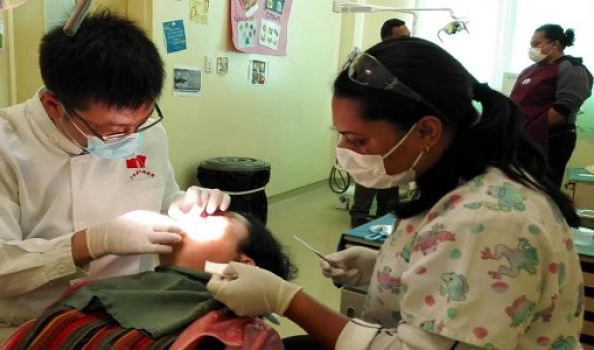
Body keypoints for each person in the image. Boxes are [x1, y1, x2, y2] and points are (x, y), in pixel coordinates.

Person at [206, 37, 584, 349]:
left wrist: (287, 300)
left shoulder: (486, 220)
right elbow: (451, 272)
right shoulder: (458, 178)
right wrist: (384, 270)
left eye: (357, 139)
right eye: (340, 135)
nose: (345, 152)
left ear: (426, 131)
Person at [0, 12, 231, 349]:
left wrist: (182, 206)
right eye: (114, 129)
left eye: (142, 120)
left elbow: (162, 197)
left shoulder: (147, 134)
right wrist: (89, 243)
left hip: (123, 313)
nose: (131, 137)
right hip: (21, 323)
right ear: (53, 105)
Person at [0, 211, 295, 349]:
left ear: (241, 265)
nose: (191, 217)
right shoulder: (100, 289)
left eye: (211, 220)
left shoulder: (237, 339)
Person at [510, 24, 592, 186]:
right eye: (531, 45)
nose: (532, 49)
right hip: (522, 137)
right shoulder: (529, 70)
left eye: (536, 44)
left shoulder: (572, 68)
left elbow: (564, 108)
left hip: (550, 140)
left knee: (542, 188)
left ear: (554, 44)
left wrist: (531, 129)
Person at [349, 18, 408, 227]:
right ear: (388, 39)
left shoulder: (405, 63)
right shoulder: (370, 64)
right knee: (365, 192)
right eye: (403, 37)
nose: (408, 40)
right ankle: (356, 240)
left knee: (390, 197)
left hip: (394, 139)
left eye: (408, 36)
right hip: (371, 138)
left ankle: (385, 240)